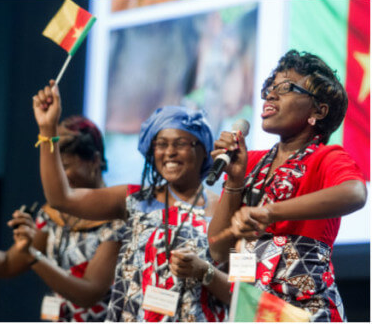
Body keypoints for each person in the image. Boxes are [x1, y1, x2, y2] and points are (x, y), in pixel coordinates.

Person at [32, 80, 231, 321]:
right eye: (161, 144)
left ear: (203, 149)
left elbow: (239, 295)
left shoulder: (223, 209)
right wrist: (47, 129)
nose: (169, 152)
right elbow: (61, 198)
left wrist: (204, 272)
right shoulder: (135, 199)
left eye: (180, 143)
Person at [207, 50, 366, 321]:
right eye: (269, 87)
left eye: (284, 87)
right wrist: (235, 181)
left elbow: (355, 193)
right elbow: (219, 251)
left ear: (318, 110)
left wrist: (272, 212)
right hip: (251, 310)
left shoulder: (325, 157)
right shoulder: (251, 162)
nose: (270, 94)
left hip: (303, 311)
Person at [0, 116, 122, 321]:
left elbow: (88, 294)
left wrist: (32, 255)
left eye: (65, 167)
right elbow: (7, 264)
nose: (58, 177)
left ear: (95, 160)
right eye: (55, 169)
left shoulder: (116, 219)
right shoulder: (51, 216)